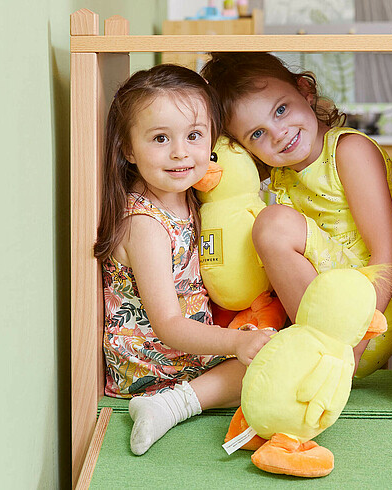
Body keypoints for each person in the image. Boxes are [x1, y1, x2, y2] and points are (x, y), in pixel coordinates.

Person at [93, 65, 271, 456]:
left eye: (194, 136)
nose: (180, 153)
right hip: (151, 366)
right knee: (268, 365)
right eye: (160, 138)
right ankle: (172, 406)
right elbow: (169, 325)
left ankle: (184, 397)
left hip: (187, 350)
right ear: (127, 149)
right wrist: (235, 343)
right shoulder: (145, 224)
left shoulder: (187, 196)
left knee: (277, 351)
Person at [201, 53, 392, 378]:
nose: (278, 133)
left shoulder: (349, 151)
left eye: (281, 110)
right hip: (323, 314)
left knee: (272, 224)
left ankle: (316, 354)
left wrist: (350, 350)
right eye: (257, 134)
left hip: (369, 325)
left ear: (305, 91)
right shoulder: (282, 175)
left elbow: (390, 254)